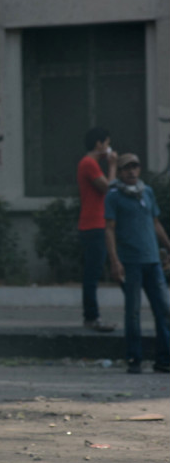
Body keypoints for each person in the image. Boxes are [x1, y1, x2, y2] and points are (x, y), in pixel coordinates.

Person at [104, 153, 170, 374]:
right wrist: (114, 260)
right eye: (126, 168)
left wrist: (168, 246)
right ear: (120, 172)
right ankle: (135, 358)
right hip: (130, 262)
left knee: (163, 310)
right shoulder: (114, 196)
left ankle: (164, 359)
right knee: (133, 312)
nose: (131, 171)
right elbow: (110, 229)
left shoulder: (147, 192)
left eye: (135, 167)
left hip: (152, 261)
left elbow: (155, 222)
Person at [78, 127, 119, 332]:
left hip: (95, 223)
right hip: (94, 224)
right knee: (92, 274)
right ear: (99, 144)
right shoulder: (89, 164)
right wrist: (112, 165)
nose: (108, 147)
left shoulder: (90, 164)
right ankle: (91, 317)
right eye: (107, 143)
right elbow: (108, 189)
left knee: (93, 273)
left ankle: (92, 315)